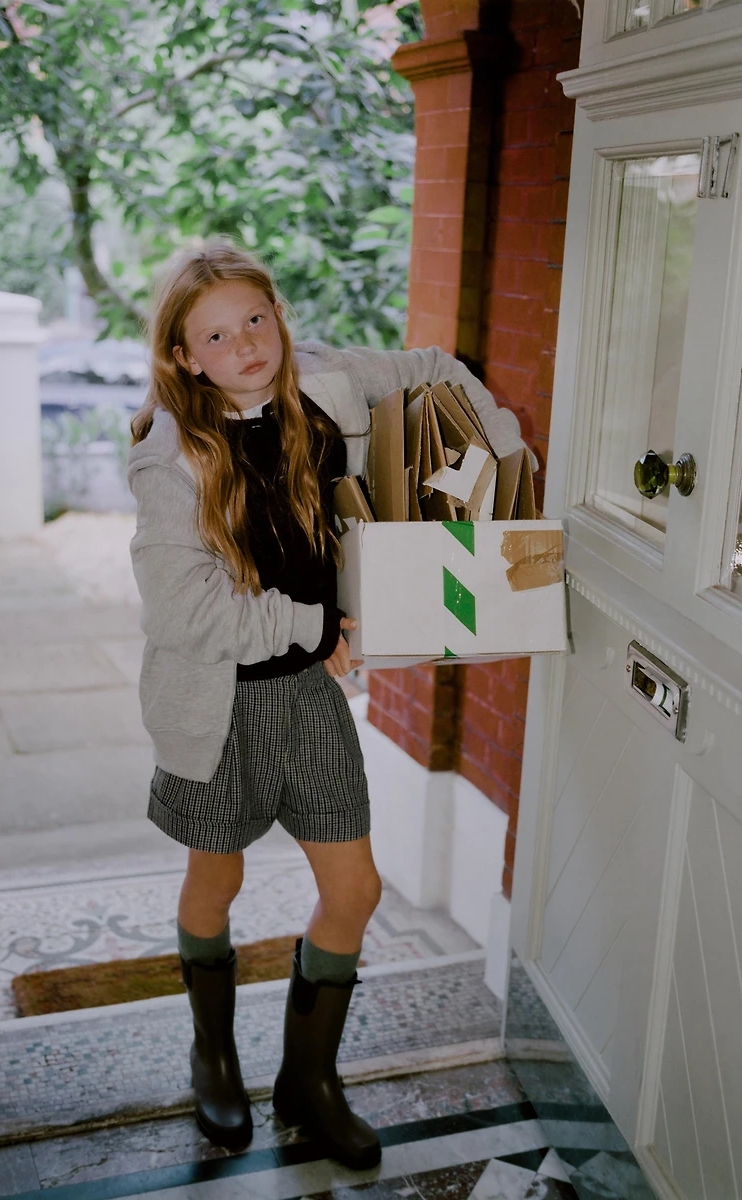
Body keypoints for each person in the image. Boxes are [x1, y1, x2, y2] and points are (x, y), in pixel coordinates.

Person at [127, 239, 530, 1170]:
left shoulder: (329, 385)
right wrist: (315, 623)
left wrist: (503, 461)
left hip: (309, 697)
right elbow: (187, 613)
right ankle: (214, 1053)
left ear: (278, 316)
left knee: (354, 889)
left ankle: (310, 1080)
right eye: (218, 335)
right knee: (216, 882)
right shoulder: (168, 461)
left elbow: (434, 372)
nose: (247, 345)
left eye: (256, 319)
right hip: (217, 707)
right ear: (186, 357)